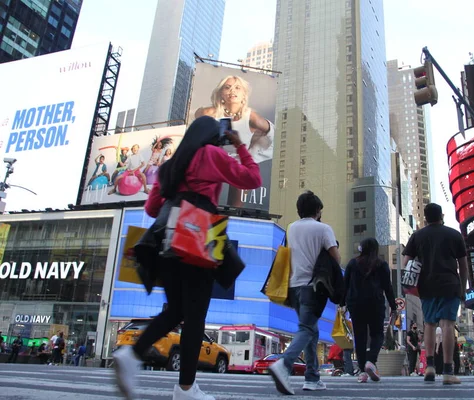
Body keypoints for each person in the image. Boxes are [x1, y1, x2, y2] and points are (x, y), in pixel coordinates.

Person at [112, 116, 262, 400]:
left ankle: (133, 355)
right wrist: (240, 147)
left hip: (167, 239)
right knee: (195, 317)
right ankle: (184, 389)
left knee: (176, 310)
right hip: (198, 237)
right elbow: (252, 178)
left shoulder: (170, 166)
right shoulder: (211, 154)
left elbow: (153, 207)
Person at [268, 191, 340, 395]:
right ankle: (284, 364)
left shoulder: (291, 228)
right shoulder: (323, 229)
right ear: (318, 210)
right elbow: (336, 258)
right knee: (307, 329)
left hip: (293, 287)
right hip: (313, 286)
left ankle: (312, 377)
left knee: (311, 330)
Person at [402, 203, 468, 385]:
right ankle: (448, 370)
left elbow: (405, 261)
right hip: (450, 284)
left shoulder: (417, 236)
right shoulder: (454, 234)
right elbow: (463, 264)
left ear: (425, 218)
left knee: (429, 324)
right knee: (447, 325)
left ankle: (429, 367)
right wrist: (463, 287)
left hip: (427, 285)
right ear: (442, 216)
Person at [194, 75, 274, 208]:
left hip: (238, 162)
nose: (232, 91)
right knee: (203, 200)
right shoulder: (209, 113)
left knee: (237, 203)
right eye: (228, 87)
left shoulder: (252, 118)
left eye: (237, 88)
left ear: (244, 94)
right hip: (213, 161)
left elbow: (273, 135)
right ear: (221, 93)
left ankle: (232, 220)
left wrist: (252, 154)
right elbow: (197, 122)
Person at [343, 237, 397, 383]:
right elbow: (388, 287)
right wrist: (393, 306)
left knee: (360, 337)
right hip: (376, 304)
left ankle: (362, 371)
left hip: (356, 305)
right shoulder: (382, 264)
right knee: (377, 334)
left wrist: (342, 302)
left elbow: (345, 284)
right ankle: (371, 362)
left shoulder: (353, 263)